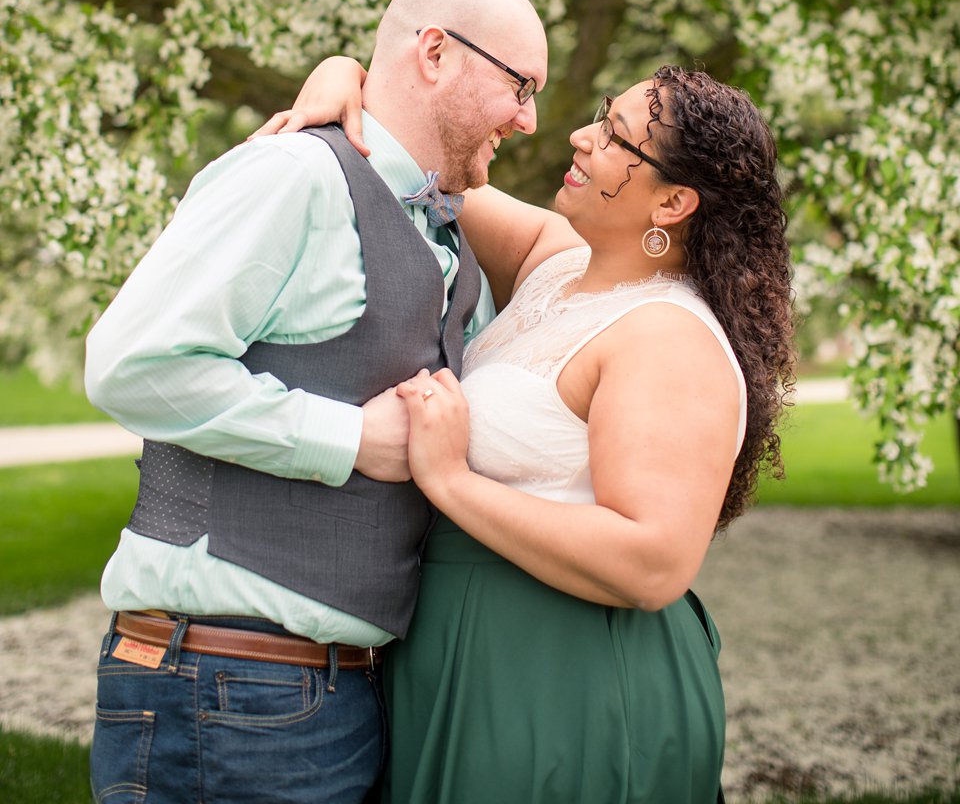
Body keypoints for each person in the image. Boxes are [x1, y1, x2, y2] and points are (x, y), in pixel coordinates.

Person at [260, 57, 795, 803]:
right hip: (465, 658)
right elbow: (413, 167)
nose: (580, 136)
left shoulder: (666, 339)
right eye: (604, 113)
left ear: (672, 202)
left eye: (615, 137)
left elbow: (653, 563)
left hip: (568, 680)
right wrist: (346, 75)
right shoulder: (558, 262)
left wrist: (450, 481)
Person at [83, 0, 549, 804]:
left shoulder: (442, 226)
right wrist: (349, 439)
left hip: (340, 695)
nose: (530, 117)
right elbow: (133, 364)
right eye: (520, 85)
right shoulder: (293, 176)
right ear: (436, 53)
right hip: (223, 686)